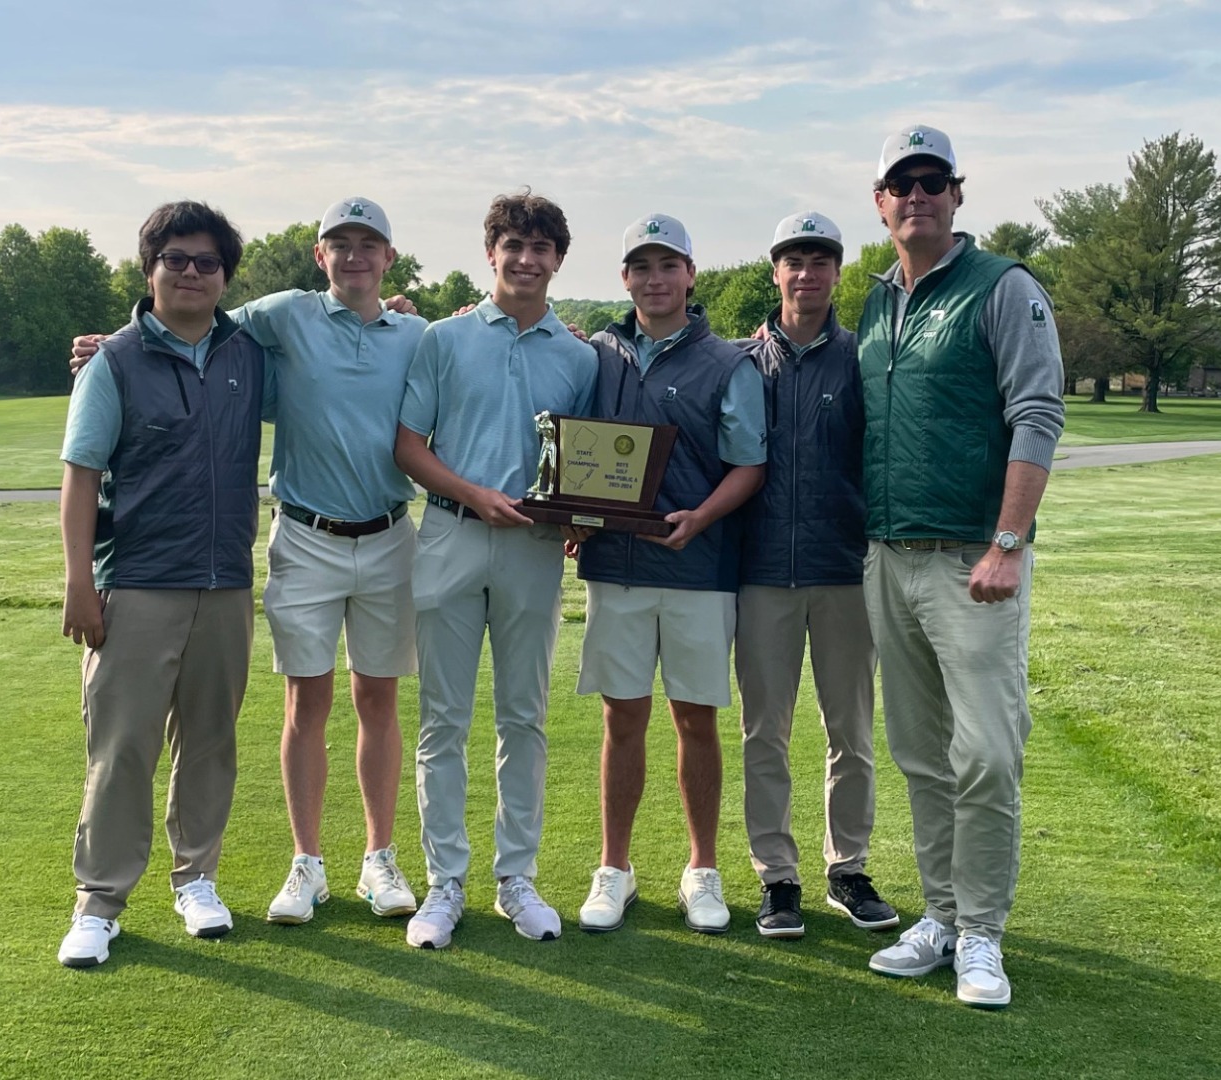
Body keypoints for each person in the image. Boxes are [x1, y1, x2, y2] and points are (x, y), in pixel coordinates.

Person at [71, 198, 428, 927]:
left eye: (370, 245)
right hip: (296, 537)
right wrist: (111, 344)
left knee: (360, 705)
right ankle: (298, 865)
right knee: (295, 707)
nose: (354, 256)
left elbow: (471, 359)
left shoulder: (413, 336)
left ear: (388, 257)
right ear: (318, 254)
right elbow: (174, 332)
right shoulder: (281, 316)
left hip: (378, 537)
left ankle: (374, 858)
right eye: (340, 243)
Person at [855, 125, 1065, 1008]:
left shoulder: (1003, 287)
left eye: (932, 181)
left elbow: (1037, 412)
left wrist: (1009, 543)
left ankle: (982, 933)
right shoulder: (874, 302)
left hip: (971, 561)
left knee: (985, 754)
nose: (917, 196)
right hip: (886, 558)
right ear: (881, 202)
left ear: (957, 192)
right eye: (901, 184)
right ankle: (941, 916)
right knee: (919, 753)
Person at [54, 200, 264, 968]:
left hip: (226, 584)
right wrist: (79, 581)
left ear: (223, 276)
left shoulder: (248, 354)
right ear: (150, 269)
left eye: (206, 262)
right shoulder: (112, 361)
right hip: (137, 582)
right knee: (121, 749)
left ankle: (196, 879)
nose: (191, 273)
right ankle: (99, 902)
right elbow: (80, 477)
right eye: (175, 259)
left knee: (210, 745)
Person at [393, 191, 599, 949]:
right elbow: (410, 445)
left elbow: (583, 464)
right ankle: (446, 882)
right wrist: (472, 494)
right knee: (443, 720)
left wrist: (582, 516)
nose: (527, 259)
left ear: (558, 260)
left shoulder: (579, 357)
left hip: (534, 550)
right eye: (513, 244)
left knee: (524, 717)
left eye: (542, 247)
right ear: (491, 252)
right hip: (450, 536)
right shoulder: (443, 341)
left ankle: (517, 878)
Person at [573, 214, 766, 935]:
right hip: (615, 567)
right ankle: (614, 869)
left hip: (697, 566)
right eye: (640, 267)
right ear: (624, 278)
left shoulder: (727, 362)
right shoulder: (597, 353)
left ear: (691, 273)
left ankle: (702, 870)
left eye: (667, 265)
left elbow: (749, 464)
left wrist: (702, 518)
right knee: (622, 717)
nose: (655, 280)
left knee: (695, 720)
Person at [734, 211, 897, 940]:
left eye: (819, 261)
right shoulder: (741, 360)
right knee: (763, 733)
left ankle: (847, 867)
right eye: (793, 261)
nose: (806, 273)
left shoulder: (863, 359)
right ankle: (777, 876)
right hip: (762, 572)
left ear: (837, 273)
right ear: (776, 273)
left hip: (842, 570)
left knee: (851, 732)